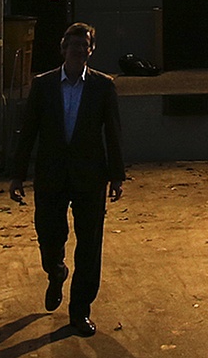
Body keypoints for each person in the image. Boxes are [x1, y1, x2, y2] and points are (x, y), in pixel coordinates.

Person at [8, 22, 125, 337]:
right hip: (51, 175)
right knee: (49, 235)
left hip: (90, 176)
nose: (77, 50)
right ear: (62, 49)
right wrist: (18, 175)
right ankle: (56, 271)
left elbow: (112, 133)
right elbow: (29, 131)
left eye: (83, 45)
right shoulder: (43, 85)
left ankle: (79, 312)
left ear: (91, 50)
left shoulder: (103, 86)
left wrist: (117, 176)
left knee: (89, 245)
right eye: (72, 45)